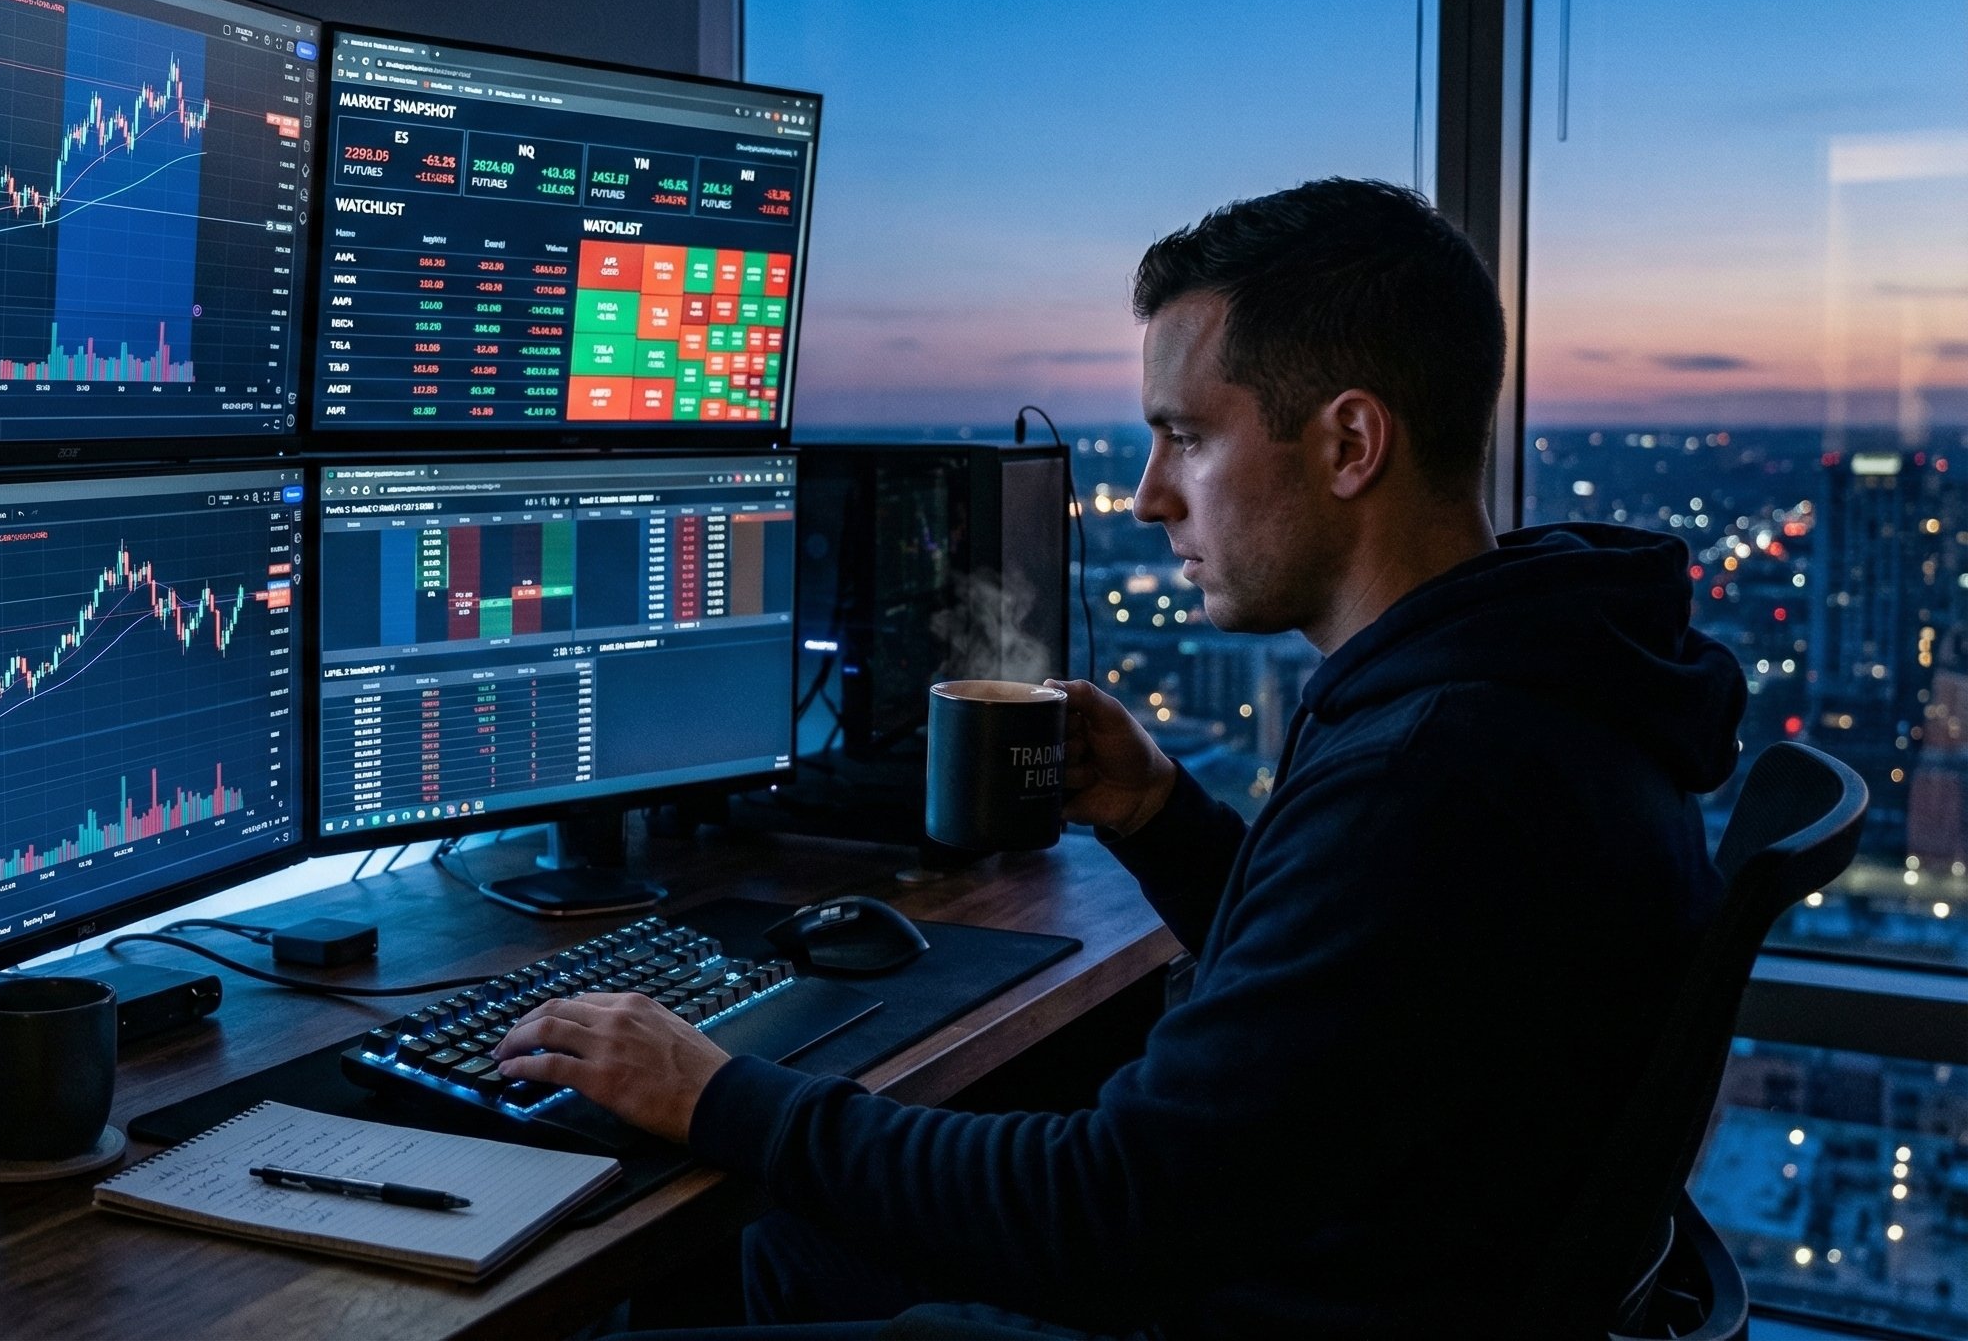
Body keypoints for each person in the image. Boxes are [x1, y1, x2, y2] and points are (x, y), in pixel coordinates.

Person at [491, 178, 1743, 1341]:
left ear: (1350, 444)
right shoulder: (1532, 680)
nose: (1148, 498)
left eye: (1184, 437)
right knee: (787, 1248)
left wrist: (716, 1089)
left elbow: (1108, 1211)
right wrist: (1160, 817)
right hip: (1359, 1267)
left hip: (1258, 1302)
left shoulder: (1433, 767)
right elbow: (1353, 1005)